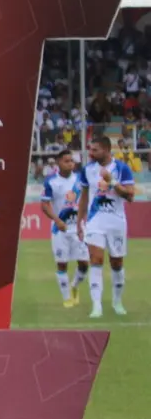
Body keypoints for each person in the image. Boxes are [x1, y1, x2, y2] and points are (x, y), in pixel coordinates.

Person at [77, 136, 136, 318]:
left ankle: (117, 302)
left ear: (106, 150)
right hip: (95, 221)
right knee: (96, 260)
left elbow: (130, 196)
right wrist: (80, 222)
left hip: (116, 222)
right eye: (90, 150)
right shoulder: (87, 170)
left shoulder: (122, 168)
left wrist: (111, 182)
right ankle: (97, 306)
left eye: (95, 150)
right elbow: (84, 197)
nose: (91, 153)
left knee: (116, 263)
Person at [40, 149, 89, 307]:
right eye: (67, 161)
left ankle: (74, 285)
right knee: (62, 264)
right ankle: (67, 297)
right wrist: (57, 220)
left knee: (84, 264)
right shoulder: (51, 181)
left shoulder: (80, 180)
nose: (70, 164)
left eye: (72, 161)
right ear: (59, 163)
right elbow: (45, 205)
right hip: (59, 229)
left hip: (78, 227)